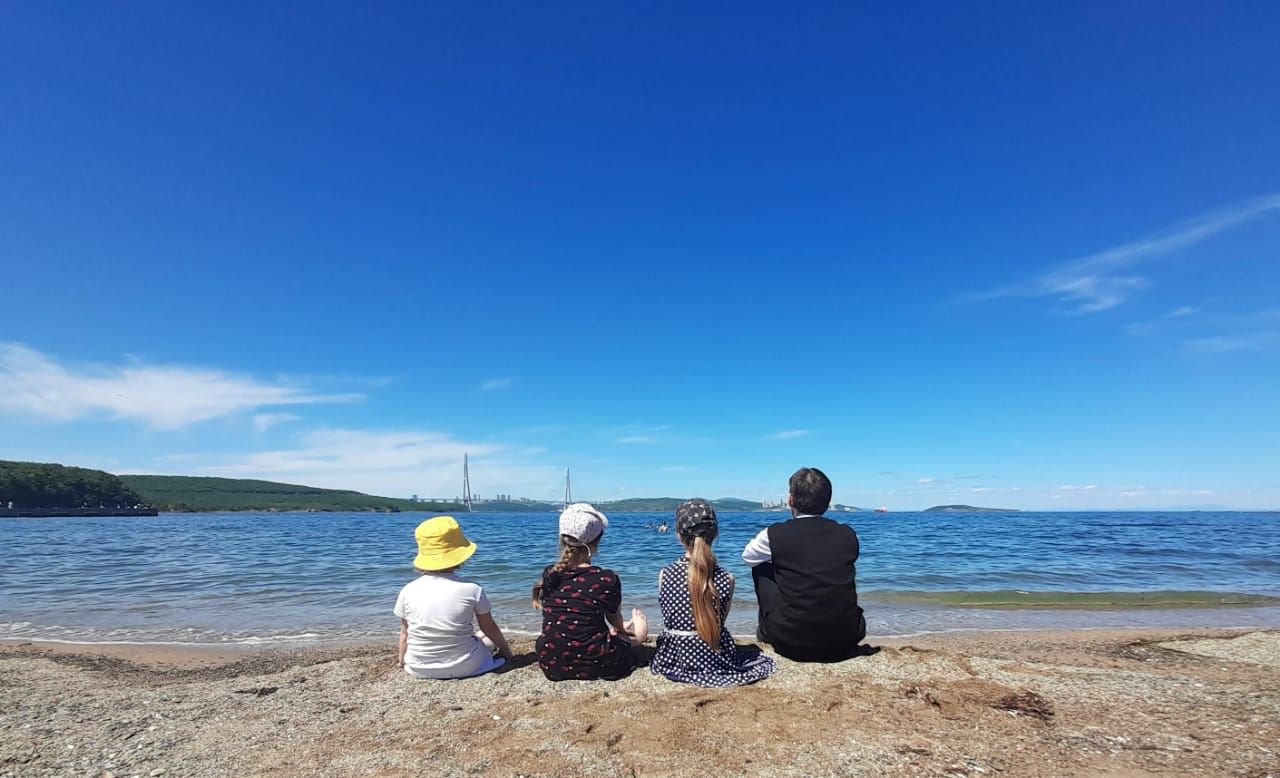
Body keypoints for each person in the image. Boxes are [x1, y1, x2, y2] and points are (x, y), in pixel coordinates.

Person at [742, 468, 865, 662]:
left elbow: (748, 558)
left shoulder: (773, 534)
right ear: (827, 502)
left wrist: (782, 559)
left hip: (790, 641)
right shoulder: (849, 534)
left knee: (761, 566)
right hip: (846, 637)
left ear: (790, 500)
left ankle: (766, 629)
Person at [650, 499, 775, 687]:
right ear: (715, 534)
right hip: (713, 657)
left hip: (673, 658)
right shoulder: (727, 579)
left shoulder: (665, 574)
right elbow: (719, 622)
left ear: (679, 535)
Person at [532, 503, 648, 681]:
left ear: (562, 538)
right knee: (628, 640)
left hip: (551, 661)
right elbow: (613, 618)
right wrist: (622, 630)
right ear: (597, 542)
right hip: (595, 662)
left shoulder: (550, 574)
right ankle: (639, 637)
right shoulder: (606, 579)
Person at [394, 516, 514, 679]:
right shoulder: (472, 589)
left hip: (419, 668)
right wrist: (507, 653)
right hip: (466, 665)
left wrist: (402, 661)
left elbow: (405, 632)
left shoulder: (408, 590)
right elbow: (489, 627)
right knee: (485, 637)